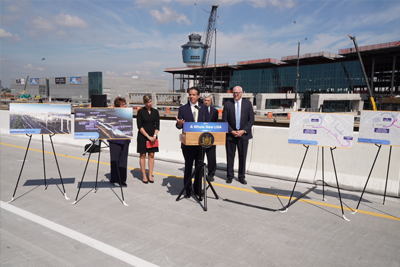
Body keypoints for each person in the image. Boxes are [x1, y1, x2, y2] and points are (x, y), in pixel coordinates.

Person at [176, 87, 210, 198]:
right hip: (187, 143)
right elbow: (178, 125)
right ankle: (188, 190)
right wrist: (180, 124)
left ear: (198, 96)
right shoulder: (183, 108)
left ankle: (197, 189)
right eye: (190, 94)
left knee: (199, 168)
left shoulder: (204, 108)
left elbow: (208, 124)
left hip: (201, 144)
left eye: (194, 94)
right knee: (188, 167)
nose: (191, 96)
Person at [222, 86, 255, 184]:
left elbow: (251, 120)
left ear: (241, 93)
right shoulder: (228, 104)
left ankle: (241, 176)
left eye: (237, 93)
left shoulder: (248, 104)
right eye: (234, 93)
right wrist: (231, 131)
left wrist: (243, 131)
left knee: (242, 156)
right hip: (231, 135)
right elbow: (224, 120)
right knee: (230, 155)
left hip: (243, 135)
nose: (235, 94)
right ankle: (230, 175)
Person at [108, 97, 131, 187]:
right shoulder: (112, 114)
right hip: (115, 140)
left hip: (125, 139)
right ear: (118, 106)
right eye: (123, 104)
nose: (125, 106)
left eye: (125, 104)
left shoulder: (127, 114)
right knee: (115, 160)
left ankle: (122, 179)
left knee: (123, 160)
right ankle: (115, 179)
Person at [137, 95, 160, 184]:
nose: (150, 103)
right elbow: (140, 126)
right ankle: (144, 175)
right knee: (143, 155)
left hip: (153, 136)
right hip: (143, 136)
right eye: (148, 102)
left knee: (151, 155)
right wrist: (148, 137)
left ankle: (150, 174)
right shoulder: (141, 112)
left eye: (150, 101)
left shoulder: (155, 112)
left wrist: (154, 135)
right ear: (144, 103)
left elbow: (157, 125)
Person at [202, 93, 219, 182]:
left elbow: (216, 123)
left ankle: (211, 173)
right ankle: (200, 171)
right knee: (200, 156)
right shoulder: (199, 110)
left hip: (211, 137)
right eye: (205, 100)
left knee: (211, 156)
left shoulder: (215, 111)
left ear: (211, 101)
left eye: (208, 100)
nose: (206, 102)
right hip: (200, 137)